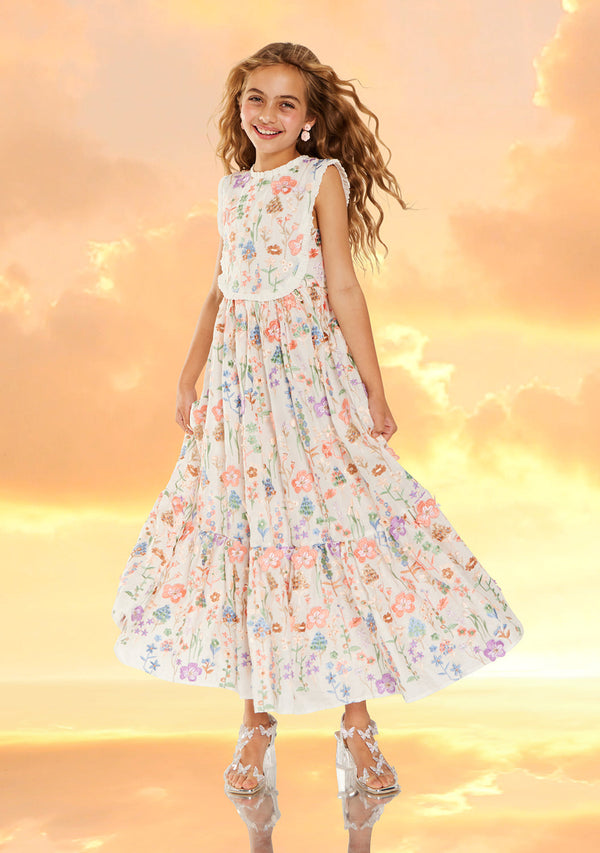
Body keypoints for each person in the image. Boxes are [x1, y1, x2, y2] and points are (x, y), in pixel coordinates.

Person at [112, 42, 524, 800]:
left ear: (307, 120)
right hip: (239, 389)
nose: (267, 114)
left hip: (307, 381)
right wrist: (189, 371)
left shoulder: (320, 178)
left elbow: (343, 285)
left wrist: (374, 388)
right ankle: (255, 722)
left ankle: (357, 724)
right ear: (238, 107)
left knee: (332, 530)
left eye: (286, 103)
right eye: (255, 98)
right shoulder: (232, 189)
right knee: (250, 535)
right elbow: (220, 289)